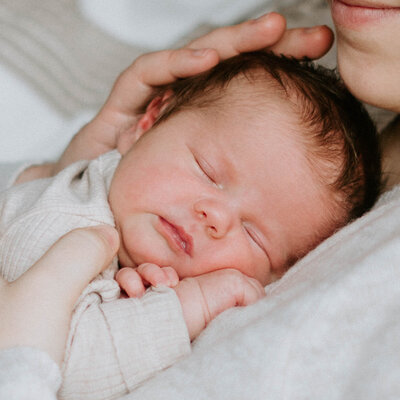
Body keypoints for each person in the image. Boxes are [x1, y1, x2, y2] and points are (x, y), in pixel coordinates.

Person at [0, 49, 380, 400]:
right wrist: (185, 308)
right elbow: (51, 365)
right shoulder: (64, 219)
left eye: (254, 236)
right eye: (208, 171)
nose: (215, 216)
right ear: (147, 123)